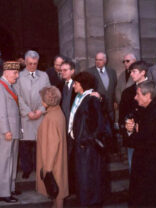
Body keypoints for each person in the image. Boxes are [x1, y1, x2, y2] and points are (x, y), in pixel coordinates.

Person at [125, 80, 156, 207]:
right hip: (150, 169)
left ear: (148, 96)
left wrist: (132, 132)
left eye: (138, 94)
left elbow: (143, 142)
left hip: (150, 172)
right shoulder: (148, 111)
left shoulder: (155, 115)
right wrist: (132, 131)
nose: (135, 97)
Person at [68, 71, 108, 206]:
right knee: (82, 179)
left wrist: (86, 141)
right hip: (80, 145)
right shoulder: (80, 97)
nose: (73, 86)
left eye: (76, 84)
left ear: (83, 85)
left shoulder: (92, 99)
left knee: (88, 180)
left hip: (87, 149)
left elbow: (98, 124)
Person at [14, 50, 50, 179]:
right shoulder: (19, 76)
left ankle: (39, 167)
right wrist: (28, 112)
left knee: (39, 144)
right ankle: (26, 168)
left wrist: (41, 110)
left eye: (35, 63)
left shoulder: (44, 76)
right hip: (26, 115)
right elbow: (18, 96)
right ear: (25, 62)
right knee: (25, 144)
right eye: (30, 63)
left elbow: (48, 95)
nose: (32, 66)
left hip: (40, 114)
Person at [0, 61, 21, 203]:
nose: (17, 75)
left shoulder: (9, 86)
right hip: (5, 132)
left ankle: (11, 187)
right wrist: (6, 130)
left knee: (12, 161)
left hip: (12, 131)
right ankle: (3, 193)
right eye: (15, 73)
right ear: (6, 72)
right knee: (4, 162)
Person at [36, 86, 69, 208]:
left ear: (46, 101)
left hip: (52, 162)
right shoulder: (58, 112)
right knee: (57, 190)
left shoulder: (50, 118)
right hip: (58, 159)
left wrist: (48, 169)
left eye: (42, 99)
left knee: (56, 190)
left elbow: (53, 144)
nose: (41, 101)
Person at [118, 61, 148, 170]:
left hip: (151, 139)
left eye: (134, 71)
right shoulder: (127, 92)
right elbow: (122, 115)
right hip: (133, 138)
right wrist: (126, 125)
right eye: (130, 72)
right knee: (134, 169)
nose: (131, 74)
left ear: (143, 72)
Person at [86, 52, 117, 123]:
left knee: (111, 128)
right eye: (96, 60)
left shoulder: (112, 72)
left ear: (105, 60)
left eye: (100, 60)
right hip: (97, 107)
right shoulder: (89, 72)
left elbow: (114, 87)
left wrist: (115, 101)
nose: (98, 62)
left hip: (110, 107)